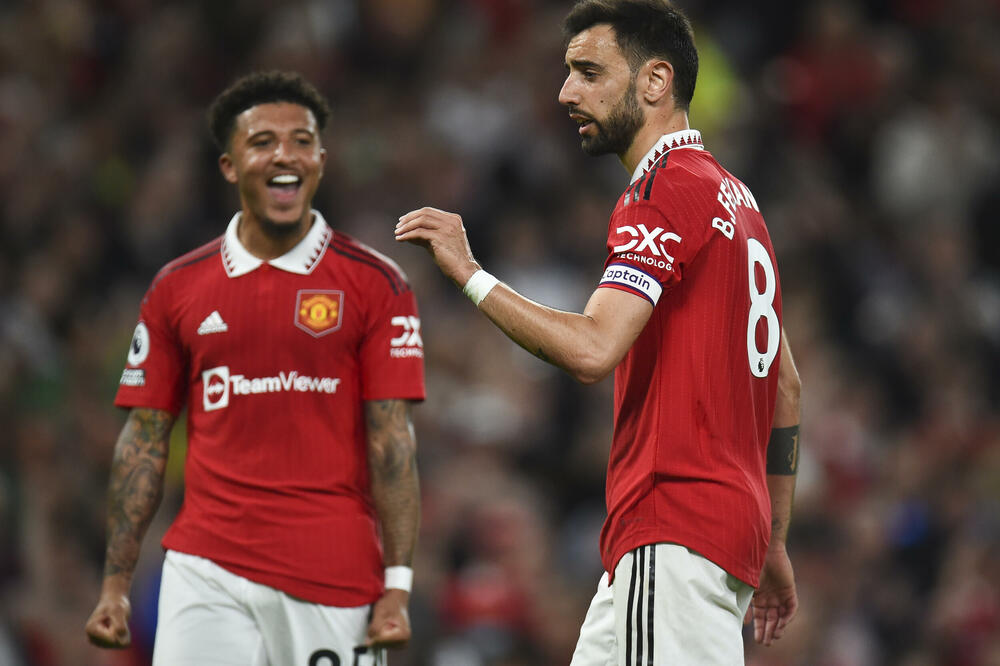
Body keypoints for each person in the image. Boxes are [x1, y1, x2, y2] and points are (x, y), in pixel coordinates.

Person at [394, 1, 800, 663]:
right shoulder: (740, 203)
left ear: (655, 81)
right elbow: (784, 387)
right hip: (708, 540)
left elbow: (593, 349)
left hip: (673, 528)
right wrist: (773, 538)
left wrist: (470, 275)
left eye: (588, 72)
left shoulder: (662, 189)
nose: (566, 92)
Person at [85, 70, 425, 665]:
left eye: (301, 141)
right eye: (263, 142)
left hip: (333, 574)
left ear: (321, 160)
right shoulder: (176, 288)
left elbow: (392, 440)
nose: (284, 155)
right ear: (229, 165)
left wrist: (397, 586)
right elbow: (144, 437)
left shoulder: (377, 284)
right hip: (205, 571)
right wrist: (115, 583)